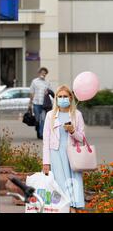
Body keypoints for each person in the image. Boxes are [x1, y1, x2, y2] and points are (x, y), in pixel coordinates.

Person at [42, 85, 86, 213]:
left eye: (65, 96)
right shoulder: (50, 115)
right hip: (55, 153)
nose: (62, 99)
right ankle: (65, 206)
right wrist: (46, 162)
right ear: (56, 98)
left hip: (71, 154)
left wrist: (72, 131)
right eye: (59, 96)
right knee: (60, 181)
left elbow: (82, 139)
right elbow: (46, 140)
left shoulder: (77, 115)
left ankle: (74, 205)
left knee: (73, 181)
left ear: (70, 98)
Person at [29, 67, 52, 139]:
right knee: (37, 119)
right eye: (42, 72)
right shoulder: (34, 81)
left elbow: (51, 92)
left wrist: (48, 92)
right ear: (39, 73)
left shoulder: (47, 82)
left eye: (45, 73)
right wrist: (30, 103)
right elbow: (31, 92)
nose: (43, 74)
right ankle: (37, 127)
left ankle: (41, 134)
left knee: (43, 119)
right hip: (36, 103)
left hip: (44, 104)